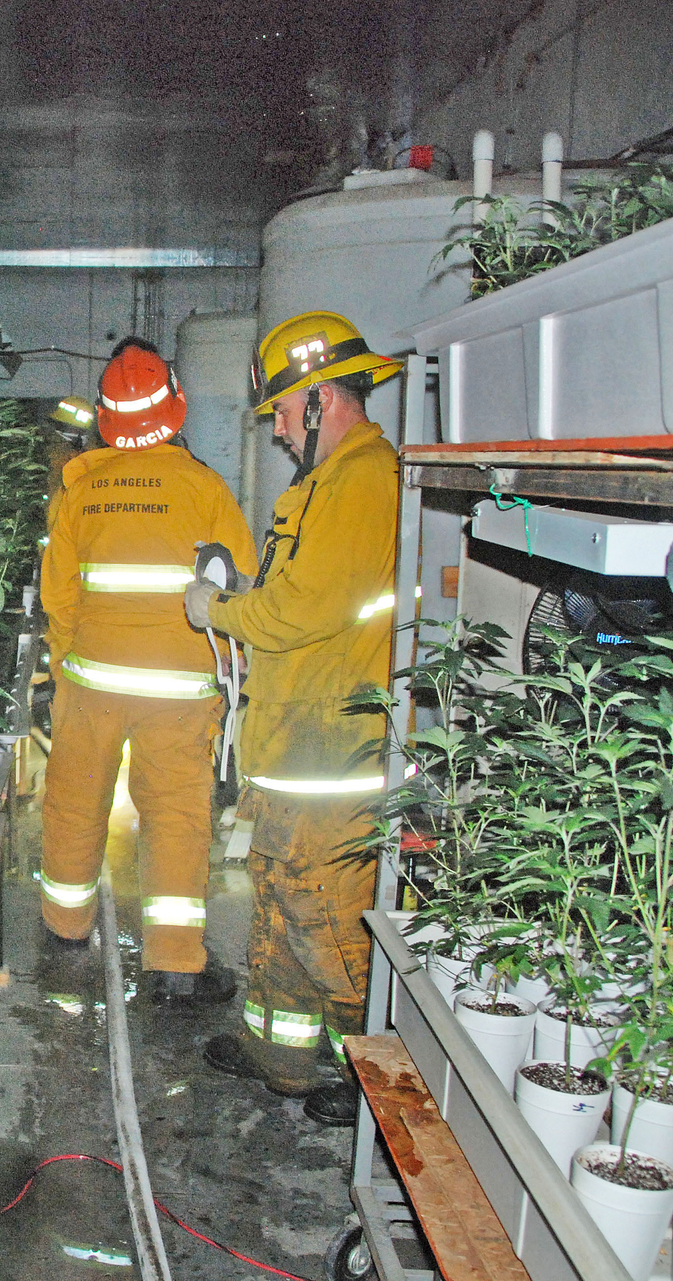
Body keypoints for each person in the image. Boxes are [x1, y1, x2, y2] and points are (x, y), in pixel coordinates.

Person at [182, 311, 401, 1125]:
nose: (275, 429)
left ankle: (374, 1072)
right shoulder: (323, 485)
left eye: (280, 410)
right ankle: (281, 1054)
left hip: (333, 755)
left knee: (329, 919)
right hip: (295, 748)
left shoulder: (365, 478)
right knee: (279, 904)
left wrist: (221, 607)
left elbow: (301, 609)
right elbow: (300, 597)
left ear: (318, 400)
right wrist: (241, 590)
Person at [39, 339, 255, 1005]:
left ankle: (65, 926)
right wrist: (233, 679)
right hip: (178, 696)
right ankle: (173, 961)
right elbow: (240, 590)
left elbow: (60, 598)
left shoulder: (78, 488)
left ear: (106, 418)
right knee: (178, 820)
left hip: (92, 684)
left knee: (75, 803)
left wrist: (63, 678)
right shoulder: (206, 488)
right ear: (175, 408)